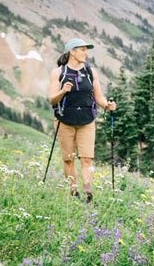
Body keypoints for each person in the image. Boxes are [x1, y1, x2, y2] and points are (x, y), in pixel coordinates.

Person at [48, 38, 116, 203]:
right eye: (82, 49)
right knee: (68, 158)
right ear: (72, 51)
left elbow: (98, 97)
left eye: (86, 50)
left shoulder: (91, 71)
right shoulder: (58, 72)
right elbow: (52, 100)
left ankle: (88, 194)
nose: (85, 53)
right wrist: (63, 91)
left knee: (86, 158)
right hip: (64, 121)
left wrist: (107, 106)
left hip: (87, 121)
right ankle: (73, 192)